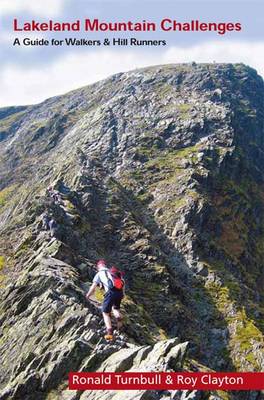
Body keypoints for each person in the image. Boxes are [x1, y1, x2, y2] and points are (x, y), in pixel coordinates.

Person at [86, 259, 124, 341]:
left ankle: (110, 333)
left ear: (98, 267)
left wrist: (88, 295)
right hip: (119, 292)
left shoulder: (99, 273)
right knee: (115, 308)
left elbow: (93, 286)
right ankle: (119, 321)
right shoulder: (113, 272)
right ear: (105, 265)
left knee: (105, 313)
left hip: (110, 293)